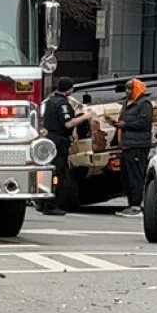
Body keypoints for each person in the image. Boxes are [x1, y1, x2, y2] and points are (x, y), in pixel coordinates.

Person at [40, 77, 95, 215]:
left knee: (49, 171)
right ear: (69, 89)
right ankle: (51, 205)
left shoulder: (51, 100)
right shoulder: (62, 104)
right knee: (58, 173)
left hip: (50, 139)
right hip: (59, 141)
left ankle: (42, 203)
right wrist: (85, 117)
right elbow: (68, 124)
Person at [104, 78, 153, 218]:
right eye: (126, 88)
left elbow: (144, 122)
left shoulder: (144, 103)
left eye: (130, 88)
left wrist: (124, 125)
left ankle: (137, 206)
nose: (127, 91)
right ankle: (131, 204)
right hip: (125, 145)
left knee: (136, 175)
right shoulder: (126, 103)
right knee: (126, 176)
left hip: (138, 145)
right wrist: (116, 125)